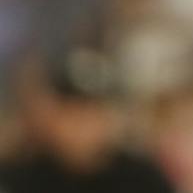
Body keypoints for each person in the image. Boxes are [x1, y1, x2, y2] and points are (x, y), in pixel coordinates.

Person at [0, 49, 174, 193]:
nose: (82, 127)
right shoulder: (19, 177)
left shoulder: (142, 178)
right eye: (73, 113)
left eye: (93, 113)